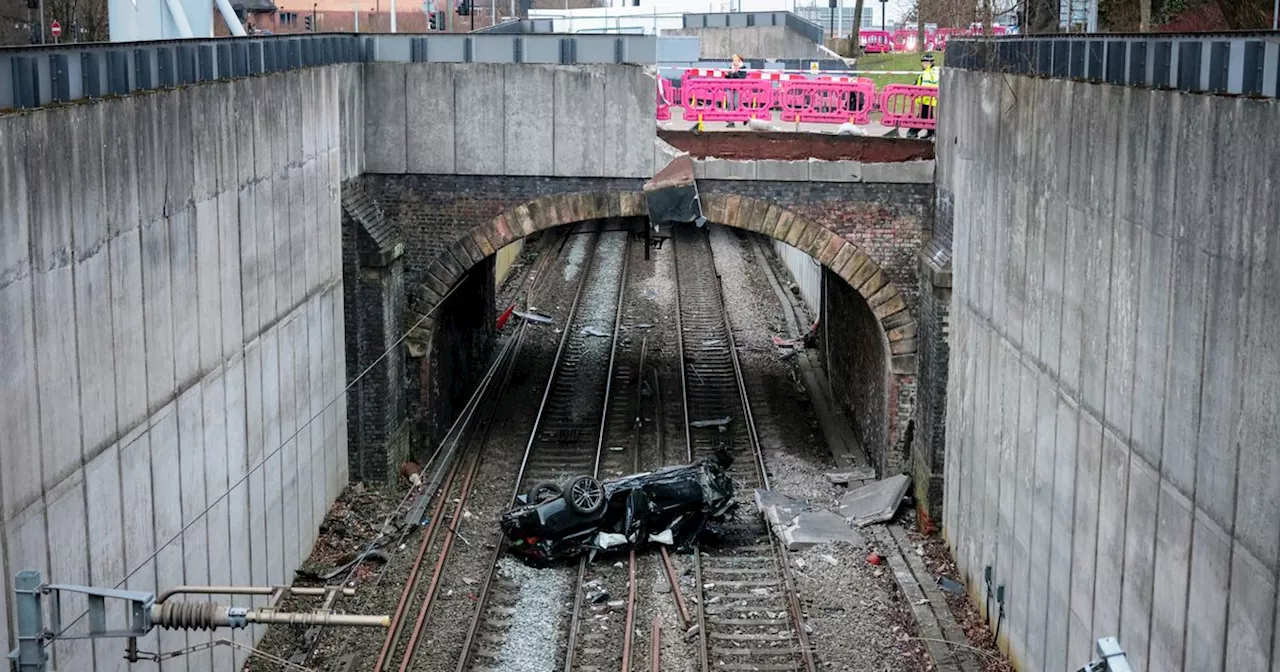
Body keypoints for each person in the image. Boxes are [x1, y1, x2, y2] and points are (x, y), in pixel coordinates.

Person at [907, 53, 938, 139]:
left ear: (931, 63)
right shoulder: (928, 72)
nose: (924, 64)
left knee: (922, 116)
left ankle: (913, 132)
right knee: (928, 116)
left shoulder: (929, 73)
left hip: (926, 99)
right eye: (923, 62)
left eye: (926, 62)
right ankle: (931, 132)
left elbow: (926, 85)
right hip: (926, 99)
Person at [724, 54, 747, 128]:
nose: (734, 61)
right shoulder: (731, 67)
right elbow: (728, 77)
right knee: (730, 104)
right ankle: (731, 122)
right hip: (730, 87)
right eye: (733, 60)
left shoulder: (743, 68)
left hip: (738, 89)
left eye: (735, 59)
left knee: (737, 104)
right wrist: (728, 75)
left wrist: (733, 74)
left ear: (739, 60)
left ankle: (745, 117)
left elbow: (742, 77)